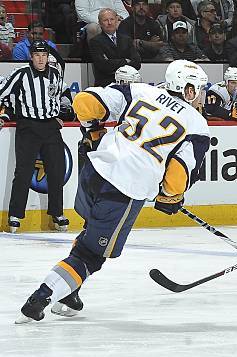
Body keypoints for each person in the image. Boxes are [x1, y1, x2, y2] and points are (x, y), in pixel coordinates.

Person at [15, 60, 210, 324]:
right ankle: (40, 298)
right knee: (91, 256)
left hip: (94, 171)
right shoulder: (197, 124)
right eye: (197, 90)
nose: (199, 95)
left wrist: (94, 130)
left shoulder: (141, 91)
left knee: (89, 234)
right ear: (187, 90)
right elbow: (179, 173)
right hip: (124, 189)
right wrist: (170, 197)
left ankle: (69, 294)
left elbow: (85, 101)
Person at [0, 41, 71, 233]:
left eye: (44, 55)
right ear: (31, 56)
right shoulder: (21, 73)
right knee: (23, 172)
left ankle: (57, 213)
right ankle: (15, 215)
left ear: (48, 56)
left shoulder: (55, 74)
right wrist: (3, 113)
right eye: (37, 55)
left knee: (57, 172)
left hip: (50, 127)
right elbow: (2, 93)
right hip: (28, 127)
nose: (41, 59)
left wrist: (57, 115)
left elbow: (58, 96)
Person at [89, 8, 142, 86]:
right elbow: (103, 65)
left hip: (128, 85)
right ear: (100, 23)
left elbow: (137, 63)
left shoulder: (127, 39)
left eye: (112, 19)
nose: (109, 23)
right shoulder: (95, 41)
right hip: (106, 86)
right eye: (105, 20)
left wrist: (112, 62)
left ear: (117, 20)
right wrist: (126, 61)